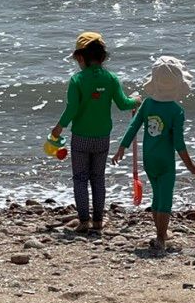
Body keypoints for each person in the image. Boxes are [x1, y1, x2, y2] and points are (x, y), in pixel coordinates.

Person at [50, 32, 138, 233]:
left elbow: (71, 109)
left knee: (80, 178)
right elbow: (124, 104)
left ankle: (83, 221)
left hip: (81, 137)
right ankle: (98, 221)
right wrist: (137, 100)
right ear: (102, 56)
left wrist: (58, 128)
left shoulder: (77, 80)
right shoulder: (111, 78)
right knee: (98, 178)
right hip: (102, 137)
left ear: (80, 57)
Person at [113, 55, 195, 251]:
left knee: (156, 196)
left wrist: (121, 148)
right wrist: (191, 165)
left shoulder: (148, 104)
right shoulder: (176, 111)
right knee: (166, 197)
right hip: (166, 160)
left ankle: (160, 231)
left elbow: (133, 126)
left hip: (149, 159)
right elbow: (178, 143)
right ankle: (161, 237)